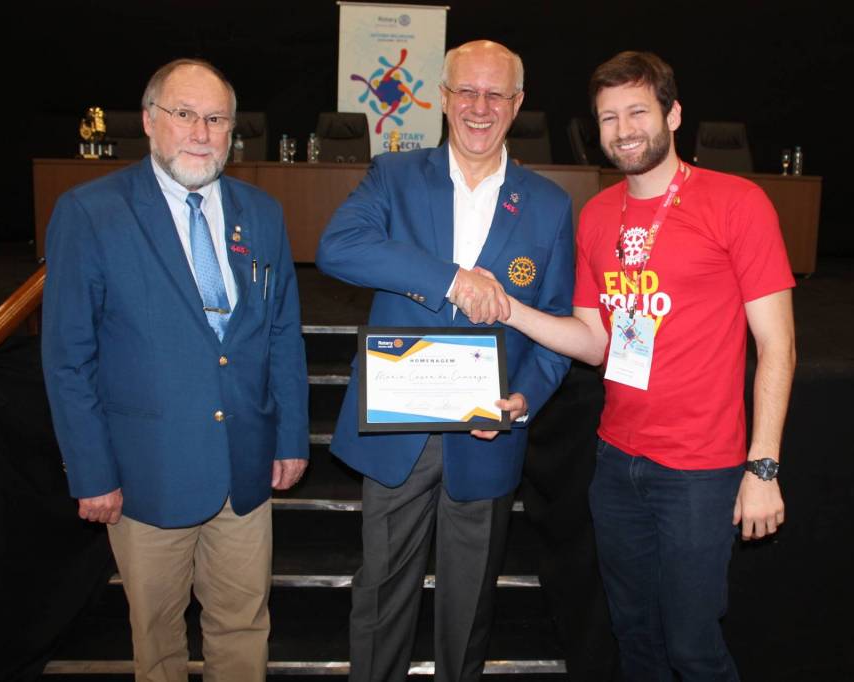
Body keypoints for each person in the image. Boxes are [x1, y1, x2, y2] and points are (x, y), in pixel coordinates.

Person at [499, 51, 797, 681]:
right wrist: (510, 309)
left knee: (692, 648)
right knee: (634, 637)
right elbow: (594, 341)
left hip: (700, 470)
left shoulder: (737, 203)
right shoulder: (597, 215)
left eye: (638, 111)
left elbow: (778, 346)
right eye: (609, 118)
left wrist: (763, 467)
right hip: (616, 463)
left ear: (674, 114)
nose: (624, 129)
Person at [41, 58, 309, 682]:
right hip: (146, 474)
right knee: (157, 638)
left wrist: (291, 436)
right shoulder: (90, 213)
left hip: (245, 468)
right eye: (184, 114)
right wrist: (91, 472)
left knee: (243, 625)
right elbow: (68, 358)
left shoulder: (262, 213)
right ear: (148, 120)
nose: (201, 132)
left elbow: (281, 334)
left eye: (216, 119)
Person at [316, 40, 573, 682]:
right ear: (442, 97)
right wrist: (452, 280)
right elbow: (338, 247)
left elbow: (556, 328)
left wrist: (525, 398)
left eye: (495, 94)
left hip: (487, 430)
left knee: (469, 609)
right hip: (398, 427)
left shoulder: (549, 205)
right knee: (381, 599)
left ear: (517, 103)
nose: (479, 107)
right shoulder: (394, 175)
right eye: (466, 91)